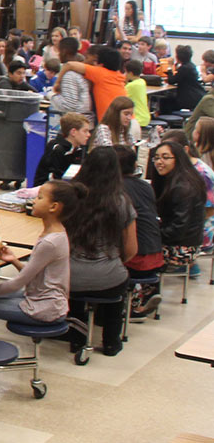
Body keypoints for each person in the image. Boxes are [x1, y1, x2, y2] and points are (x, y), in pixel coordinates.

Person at [0, 181, 77, 355]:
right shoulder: (55, 232)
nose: (34, 201)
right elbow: (34, 275)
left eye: (40, 197)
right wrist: (13, 260)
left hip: (45, 308)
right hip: (44, 298)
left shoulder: (50, 242)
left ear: (53, 207)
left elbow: (16, 284)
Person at [66, 147, 137, 356]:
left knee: (76, 296)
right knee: (118, 290)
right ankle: (111, 341)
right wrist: (113, 261)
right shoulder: (121, 201)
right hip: (108, 277)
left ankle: (76, 338)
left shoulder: (70, 196)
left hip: (71, 276)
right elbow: (132, 248)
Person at [149, 141, 206, 292]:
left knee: (137, 250)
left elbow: (178, 228)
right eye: (156, 158)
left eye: (165, 157)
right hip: (182, 240)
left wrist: (152, 236)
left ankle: (143, 295)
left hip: (183, 248)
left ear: (178, 159)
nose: (159, 162)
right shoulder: (174, 181)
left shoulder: (183, 187)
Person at [115, 145, 164, 319]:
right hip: (156, 252)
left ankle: (134, 307)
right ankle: (146, 293)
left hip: (136, 256)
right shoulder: (145, 186)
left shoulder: (116, 189)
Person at [57, 46, 127, 121]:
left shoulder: (100, 73)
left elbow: (69, 65)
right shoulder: (118, 74)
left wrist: (57, 82)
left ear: (101, 63)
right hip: (128, 119)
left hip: (111, 121)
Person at [33, 112, 91, 186]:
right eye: (85, 131)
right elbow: (53, 180)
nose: (88, 135)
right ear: (73, 132)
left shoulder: (79, 150)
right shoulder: (57, 149)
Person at [166, 45, 205, 112]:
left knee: (165, 101)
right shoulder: (191, 66)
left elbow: (171, 81)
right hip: (196, 96)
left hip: (188, 99)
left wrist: (169, 66)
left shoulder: (184, 68)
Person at [123, 60, 151, 129]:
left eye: (126, 72)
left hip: (137, 118)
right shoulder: (142, 81)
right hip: (145, 117)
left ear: (130, 73)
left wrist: (124, 80)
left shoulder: (131, 86)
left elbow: (121, 96)